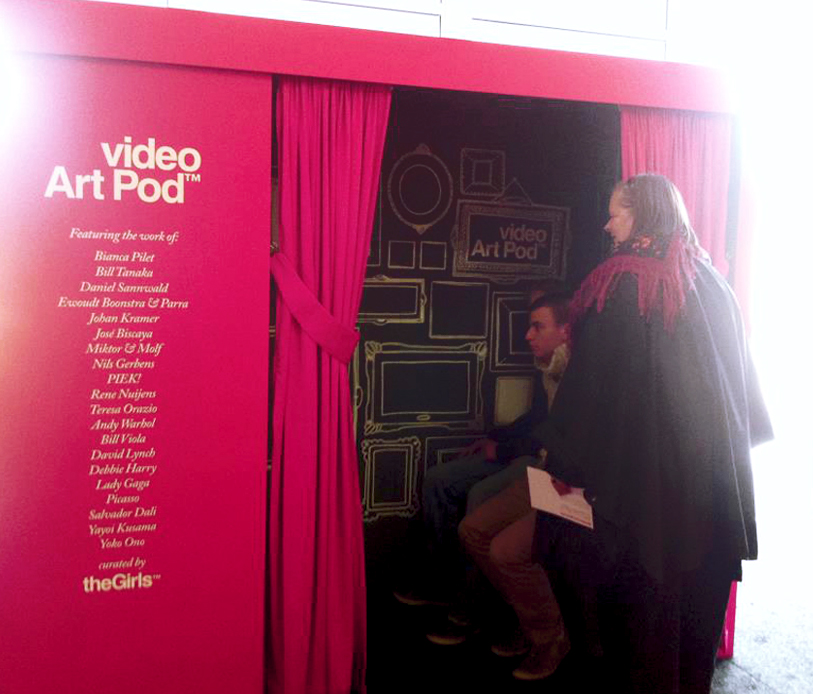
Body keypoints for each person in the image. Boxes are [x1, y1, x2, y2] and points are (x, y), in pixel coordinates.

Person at [533, 174, 772, 693]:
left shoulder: (618, 283)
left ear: (641, 215)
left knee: (639, 645)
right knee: (694, 646)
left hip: (643, 508)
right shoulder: (713, 282)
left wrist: (560, 472)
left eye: (615, 214)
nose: (607, 225)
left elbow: (591, 400)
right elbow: (742, 398)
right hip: (712, 503)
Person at [394, 292, 570, 607]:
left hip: (545, 463)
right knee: (437, 479)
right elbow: (536, 418)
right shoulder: (548, 366)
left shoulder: (578, 372)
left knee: (480, 497)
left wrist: (502, 451)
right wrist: (494, 438)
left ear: (565, 328)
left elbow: (554, 438)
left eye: (537, 325)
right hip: (526, 451)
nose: (528, 335)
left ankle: (474, 604)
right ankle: (441, 581)